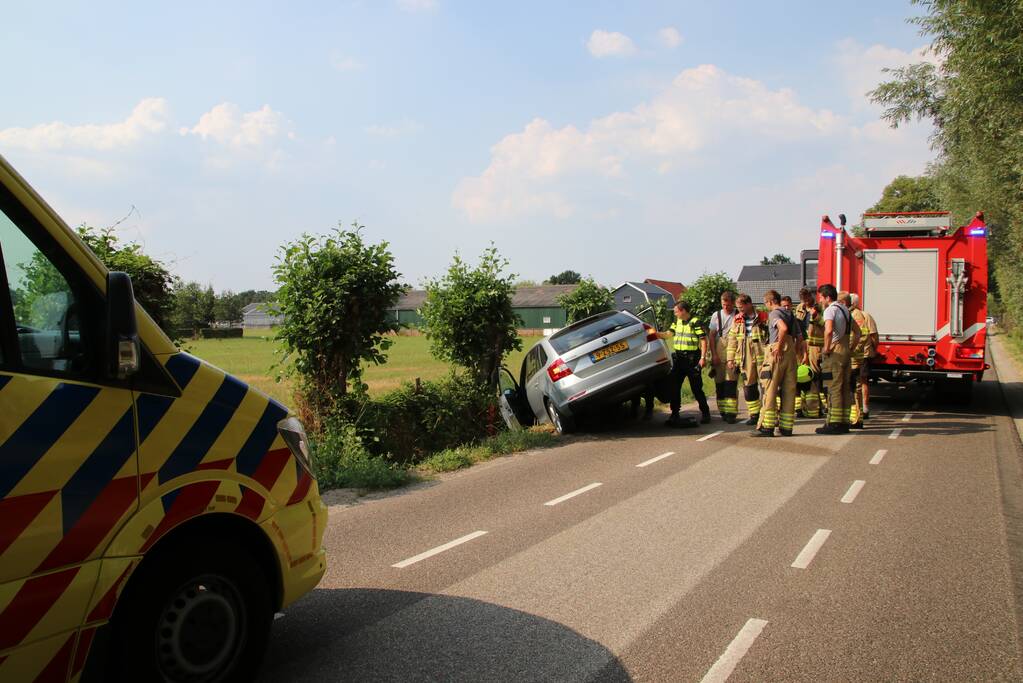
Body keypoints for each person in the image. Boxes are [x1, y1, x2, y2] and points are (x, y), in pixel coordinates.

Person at [754, 290, 800, 437]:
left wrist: (779, 347)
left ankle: (767, 427)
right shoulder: (790, 314)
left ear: (769, 302)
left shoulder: (774, 313)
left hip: (777, 352)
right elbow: (800, 337)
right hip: (791, 354)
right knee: (789, 391)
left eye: (766, 303)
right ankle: (786, 428)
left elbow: (783, 328)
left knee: (771, 389)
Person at [815, 284, 860, 434]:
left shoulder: (830, 310)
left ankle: (833, 423)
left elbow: (828, 331)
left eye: (821, 297)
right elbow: (858, 333)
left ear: (828, 297)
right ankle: (844, 422)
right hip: (846, 350)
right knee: (845, 388)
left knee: (833, 387)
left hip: (835, 352)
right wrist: (851, 348)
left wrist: (827, 348)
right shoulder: (846, 310)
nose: (820, 300)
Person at [658, 301, 711, 426]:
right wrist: (654, 334)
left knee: (696, 389)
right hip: (679, 360)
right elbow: (668, 334)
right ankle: (674, 414)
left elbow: (703, 340)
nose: (675, 313)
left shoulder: (695, 322)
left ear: (683, 311)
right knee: (674, 387)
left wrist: (703, 358)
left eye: (676, 311)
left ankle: (706, 413)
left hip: (692, 360)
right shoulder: (677, 322)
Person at [726, 293, 767, 426]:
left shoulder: (763, 317)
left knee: (766, 384)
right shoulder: (737, 319)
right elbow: (732, 340)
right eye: (738, 308)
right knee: (749, 385)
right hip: (745, 356)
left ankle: (768, 413)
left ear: (749, 304)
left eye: (741, 307)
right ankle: (754, 414)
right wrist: (730, 359)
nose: (739, 310)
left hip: (762, 354)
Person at [847, 292, 878, 427]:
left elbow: (871, 336)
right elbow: (874, 336)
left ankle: (863, 410)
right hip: (863, 354)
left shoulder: (861, 316)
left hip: (861, 355)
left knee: (860, 382)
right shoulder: (865, 315)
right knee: (861, 382)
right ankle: (863, 410)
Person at [708, 290, 739, 423]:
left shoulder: (738, 315)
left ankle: (731, 413)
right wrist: (714, 354)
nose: (725, 307)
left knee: (731, 383)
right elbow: (711, 335)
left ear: (733, 303)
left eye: (728, 305)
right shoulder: (716, 315)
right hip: (719, 348)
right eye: (723, 304)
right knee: (719, 383)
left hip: (734, 348)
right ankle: (723, 411)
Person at [794, 287, 825, 418]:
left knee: (814, 375)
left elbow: (825, 324)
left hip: (815, 346)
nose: (805, 302)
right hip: (801, 345)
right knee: (801, 374)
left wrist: (815, 316)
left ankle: (818, 406)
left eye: (807, 299)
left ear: (812, 297)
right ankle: (801, 407)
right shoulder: (799, 308)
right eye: (803, 300)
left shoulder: (820, 308)